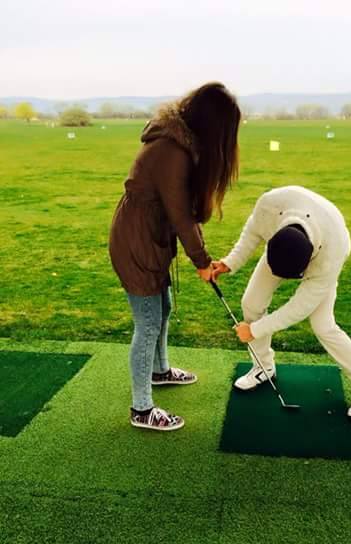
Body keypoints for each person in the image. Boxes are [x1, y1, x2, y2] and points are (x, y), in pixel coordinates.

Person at [110, 83, 241, 431]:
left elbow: (185, 215)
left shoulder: (180, 147)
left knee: (163, 307)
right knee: (148, 322)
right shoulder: (172, 152)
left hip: (149, 238)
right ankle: (141, 409)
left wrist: (203, 258)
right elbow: (182, 217)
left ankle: (160, 370)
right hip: (137, 243)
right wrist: (202, 262)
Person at [212, 186, 351, 419]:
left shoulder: (332, 253)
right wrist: (230, 262)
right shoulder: (270, 205)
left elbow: (299, 308)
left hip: (326, 250)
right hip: (286, 242)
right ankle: (264, 367)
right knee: (251, 303)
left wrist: (254, 330)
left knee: (323, 325)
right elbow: (253, 231)